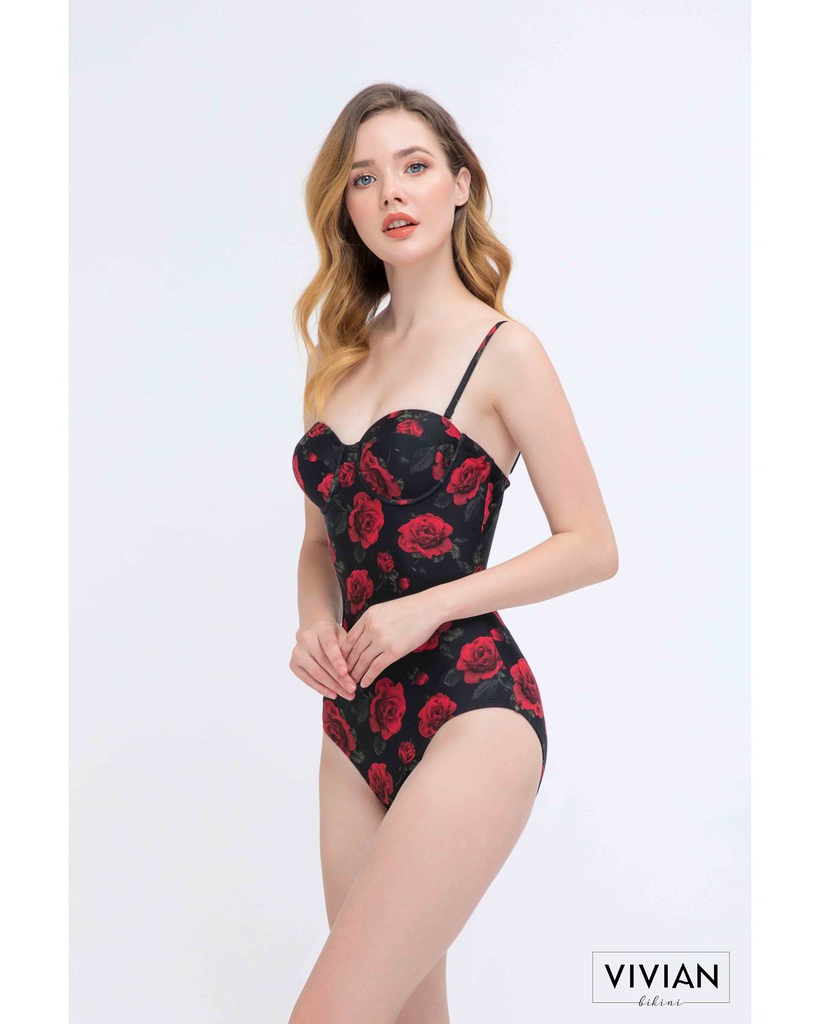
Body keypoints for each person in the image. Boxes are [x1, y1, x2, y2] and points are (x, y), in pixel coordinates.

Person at [288, 82, 618, 1024]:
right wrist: (314, 623)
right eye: (364, 177)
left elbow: (592, 545)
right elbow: (318, 542)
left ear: (461, 184)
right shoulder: (337, 359)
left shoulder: (504, 350)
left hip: (472, 708)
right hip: (352, 724)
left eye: (415, 166)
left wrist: (430, 604)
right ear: (346, 207)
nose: (391, 192)